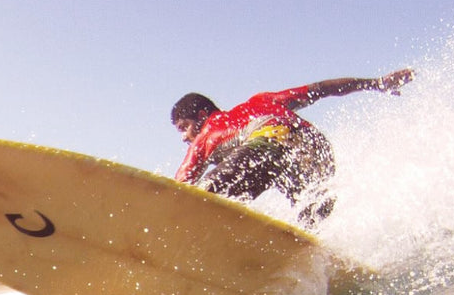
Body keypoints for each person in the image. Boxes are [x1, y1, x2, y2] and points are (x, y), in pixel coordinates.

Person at [171, 68, 414, 226]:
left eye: (184, 127)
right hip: (316, 148)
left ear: (203, 115)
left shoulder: (206, 133)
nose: (184, 137)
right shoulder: (262, 100)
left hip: (269, 139)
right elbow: (322, 89)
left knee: (202, 195)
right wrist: (376, 83)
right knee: (310, 221)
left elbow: (179, 186)